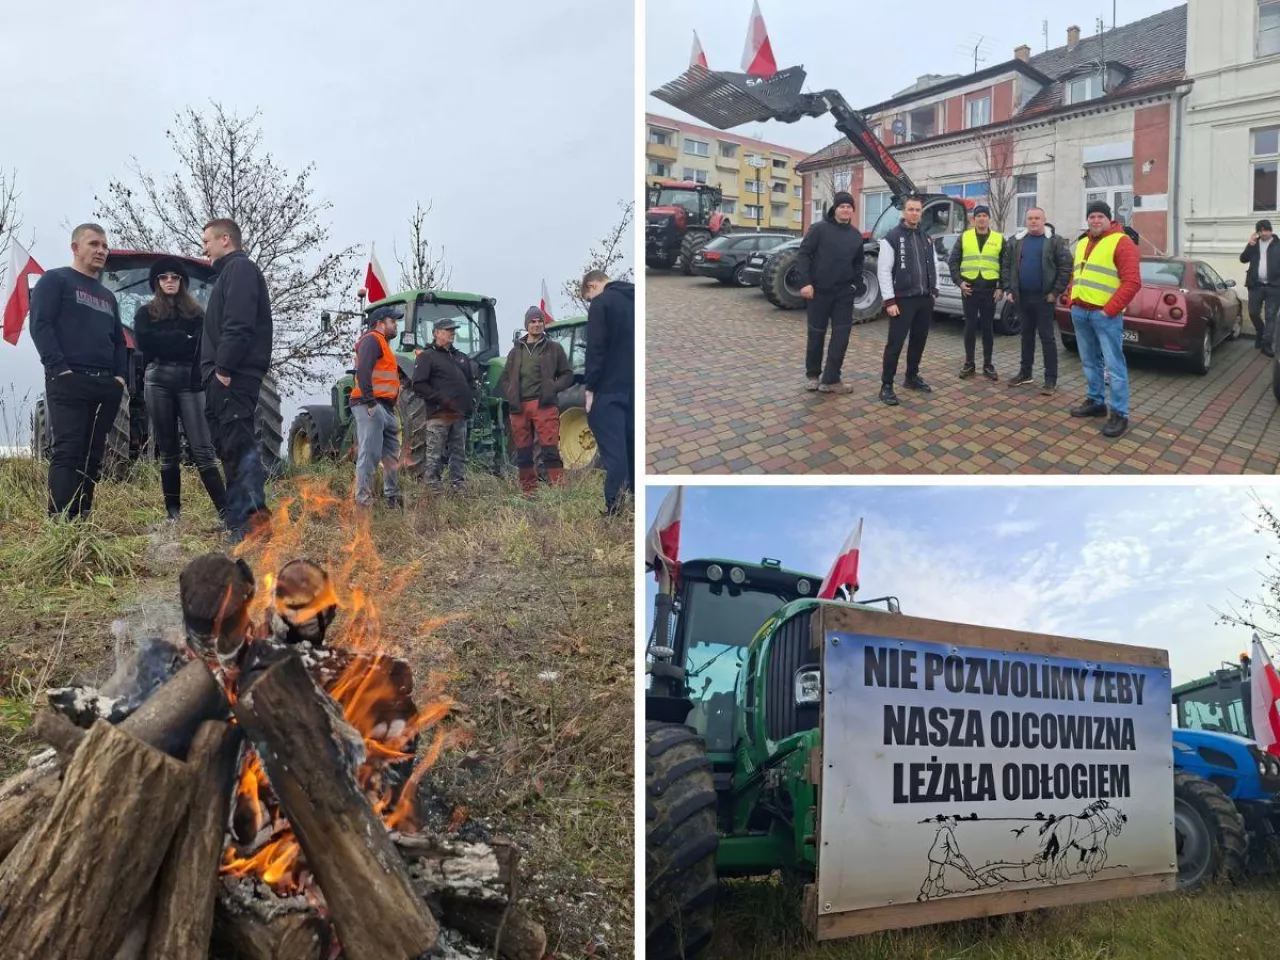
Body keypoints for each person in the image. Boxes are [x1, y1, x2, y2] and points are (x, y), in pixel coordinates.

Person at [28, 223, 128, 521]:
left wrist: (120, 378)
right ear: (75, 247)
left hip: (105, 384)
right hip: (69, 380)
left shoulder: (107, 296)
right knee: (68, 451)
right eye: (94, 244)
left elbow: (119, 341)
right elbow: (41, 325)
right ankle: (60, 522)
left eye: (105, 246)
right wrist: (59, 369)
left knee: (93, 454)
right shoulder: (55, 280)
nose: (101, 250)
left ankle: (83, 517)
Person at [133, 257, 227, 522]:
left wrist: (167, 342)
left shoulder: (197, 314)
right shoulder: (145, 313)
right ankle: (173, 514)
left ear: (182, 281)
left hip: (190, 381)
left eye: (174, 277)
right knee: (168, 450)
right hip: (158, 380)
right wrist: (179, 339)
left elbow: (202, 346)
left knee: (203, 449)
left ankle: (226, 512)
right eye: (164, 277)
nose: (169, 281)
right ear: (157, 282)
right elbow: (144, 343)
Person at [200, 218, 273, 542]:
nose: (204, 249)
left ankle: (252, 527)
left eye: (207, 241)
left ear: (225, 239)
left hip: (233, 377)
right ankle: (238, 521)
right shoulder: (229, 274)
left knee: (240, 450)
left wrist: (224, 369)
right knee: (230, 450)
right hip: (224, 378)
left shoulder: (240, 270)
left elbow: (239, 323)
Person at [1066, 200, 1142, 439]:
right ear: (1087, 220)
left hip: (1105, 316)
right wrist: (1071, 298)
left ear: (1109, 219)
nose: (1096, 220)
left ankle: (1119, 413)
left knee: (1114, 366)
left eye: (1100, 216)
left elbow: (1132, 282)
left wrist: (1109, 310)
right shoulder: (1083, 242)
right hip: (1081, 312)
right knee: (1089, 362)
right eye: (1092, 216)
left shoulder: (1122, 242)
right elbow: (1077, 274)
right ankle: (1096, 401)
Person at [497, 306, 574, 496]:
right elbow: (505, 377)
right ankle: (528, 491)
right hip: (519, 407)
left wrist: (552, 387)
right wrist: (511, 393)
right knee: (523, 451)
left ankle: (558, 490)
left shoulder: (554, 348)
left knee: (549, 448)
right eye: (533, 321)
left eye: (540, 321)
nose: (537, 324)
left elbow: (567, 375)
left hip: (544, 405)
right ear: (527, 325)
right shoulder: (515, 352)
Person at [795, 190, 865, 393]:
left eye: (849, 206)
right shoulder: (819, 229)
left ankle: (831, 379)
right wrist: (805, 283)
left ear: (852, 210)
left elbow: (859, 264)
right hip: (818, 292)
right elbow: (803, 255)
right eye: (842, 206)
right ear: (835, 208)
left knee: (841, 337)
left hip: (844, 294)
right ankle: (813, 375)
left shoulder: (855, 235)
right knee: (816, 334)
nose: (845, 210)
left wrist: (855, 285)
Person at [1000, 207, 1073, 395]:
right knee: (1026, 336)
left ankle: (1050, 379)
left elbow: (1066, 268)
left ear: (1044, 220)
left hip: (1044, 298)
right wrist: (1008, 289)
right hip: (1022, 297)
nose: (1033, 221)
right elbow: (1006, 266)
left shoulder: (1054, 241)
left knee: (1047, 338)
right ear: (1026, 221)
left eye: (1037, 218)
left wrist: (1055, 292)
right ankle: (1025, 373)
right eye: (1030, 218)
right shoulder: (1017, 241)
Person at [582, 271, 636, 515]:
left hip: (609, 390)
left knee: (615, 454)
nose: (590, 302)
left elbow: (596, 349)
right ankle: (635, 503)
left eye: (588, 297)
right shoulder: (635, 298)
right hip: (633, 388)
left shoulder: (601, 303)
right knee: (632, 448)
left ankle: (615, 509)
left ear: (592, 285)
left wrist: (590, 388)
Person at [877, 196, 938, 406]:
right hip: (902, 301)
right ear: (904, 212)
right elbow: (884, 271)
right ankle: (886, 385)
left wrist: (934, 290)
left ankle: (911, 377)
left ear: (921, 213)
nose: (914, 213)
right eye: (910, 209)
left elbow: (933, 264)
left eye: (917, 210)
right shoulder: (892, 238)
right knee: (895, 344)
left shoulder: (926, 238)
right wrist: (889, 301)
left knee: (918, 341)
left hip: (924, 299)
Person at [411, 316, 477, 492]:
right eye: (448, 330)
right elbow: (418, 384)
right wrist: (441, 398)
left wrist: (470, 401)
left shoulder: (461, 357)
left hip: (459, 415)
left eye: (453, 330)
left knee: (459, 453)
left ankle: (458, 486)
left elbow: (470, 382)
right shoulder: (427, 357)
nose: (452, 333)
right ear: (436, 333)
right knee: (435, 454)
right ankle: (433, 489)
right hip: (439, 415)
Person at [350, 304, 404, 506]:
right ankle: (362, 502)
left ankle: (392, 497)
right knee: (369, 454)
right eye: (392, 321)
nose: (395, 325)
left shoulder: (383, 344)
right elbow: (363, 371)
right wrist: (371, 403)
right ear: (380, 323)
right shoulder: (371, 340)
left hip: (385, 408)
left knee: (391, 454)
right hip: (370, 405)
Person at [946, 203, 1003, 381]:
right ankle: (969, 363)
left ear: (989, 219)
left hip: (990, 290)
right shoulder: (965, 237)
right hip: (969, 290)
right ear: (974, 219)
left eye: (985, 215)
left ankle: (988, 364)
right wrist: (959, 282)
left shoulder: (999, 238)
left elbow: (1006, 265)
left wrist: (1001, 287)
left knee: (987, 327)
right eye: (978, 216)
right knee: (970, 326)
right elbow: (953, 261)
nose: (982, 219)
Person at [1241, 219, 1280, 356]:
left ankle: (1266, 344)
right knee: (1253, 313)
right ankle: (1261, 332)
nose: (1263, 233)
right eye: (1261, 231)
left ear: (1270, 230)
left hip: (1274, 286)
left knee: (1270, 316)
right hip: (1256, 285)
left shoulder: (1278, 244)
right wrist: (1250, 245)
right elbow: (1243, 259)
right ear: (1258, 232)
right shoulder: (1254, 244)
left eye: (1266, 230)